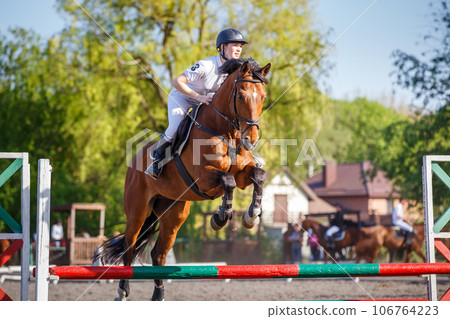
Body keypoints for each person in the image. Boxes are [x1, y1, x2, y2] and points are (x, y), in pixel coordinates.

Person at [145, 28, 248, 178]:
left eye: (240, 46)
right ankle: (156, 162)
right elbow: (176, 82)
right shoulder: (206, 65)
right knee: (175, 126)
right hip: (182, 96)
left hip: (206, 99)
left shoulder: (234, 70)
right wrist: (197, 97)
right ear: (222, 47)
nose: (238, 49)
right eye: (234, 45)